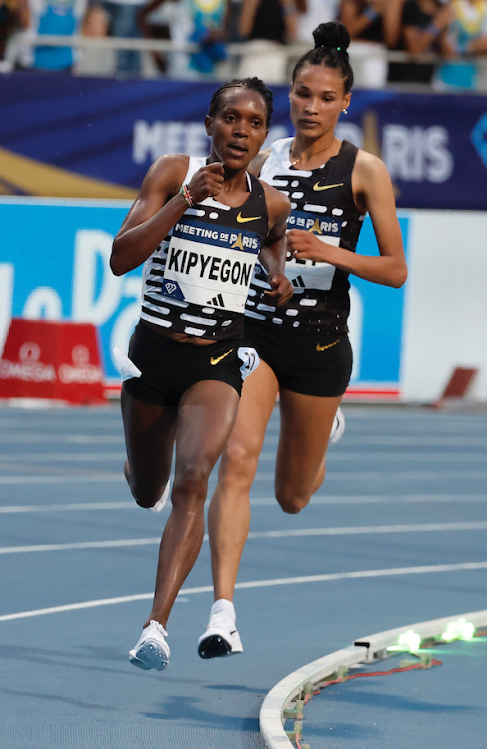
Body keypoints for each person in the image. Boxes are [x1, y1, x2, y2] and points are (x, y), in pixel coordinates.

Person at [198, 21, 407, 660]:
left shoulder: (364, 170)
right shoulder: (263, 161)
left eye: (324, 98)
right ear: (288, 97)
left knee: (292, 497)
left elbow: (395, 269)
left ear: (346, 104)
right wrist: (270, 268)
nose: (311, 107)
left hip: (319, 346)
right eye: (301, 95)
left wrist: (332, 253)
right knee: (236, 459)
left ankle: (324, 431)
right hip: (256, 333)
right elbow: (243, 239)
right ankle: (223, 613)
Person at [109, 77, 292, 672]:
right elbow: (121, 257)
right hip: (153, 358)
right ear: (210, 123)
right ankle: (141, 466)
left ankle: (154, 627)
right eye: (231, 118)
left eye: (256, 122)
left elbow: (270, 242)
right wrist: (185, 199)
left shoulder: (271, 202)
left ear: (264, 133)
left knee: (195, 478)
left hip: (216, 361)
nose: (242, 130)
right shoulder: (173, 171)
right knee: (148, 490)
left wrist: (277, 273)